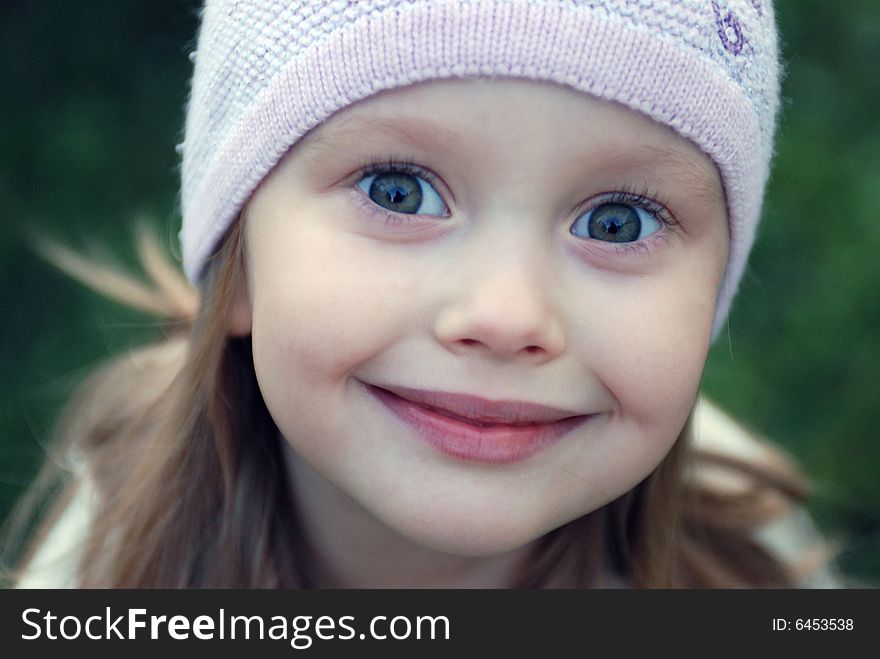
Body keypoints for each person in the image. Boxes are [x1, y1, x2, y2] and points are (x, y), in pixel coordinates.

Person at [7, 0, 837, 588]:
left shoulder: (753, 563)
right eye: (399, 190)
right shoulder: (104, 569)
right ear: (240, 260)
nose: (508, 316)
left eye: (617, 221)